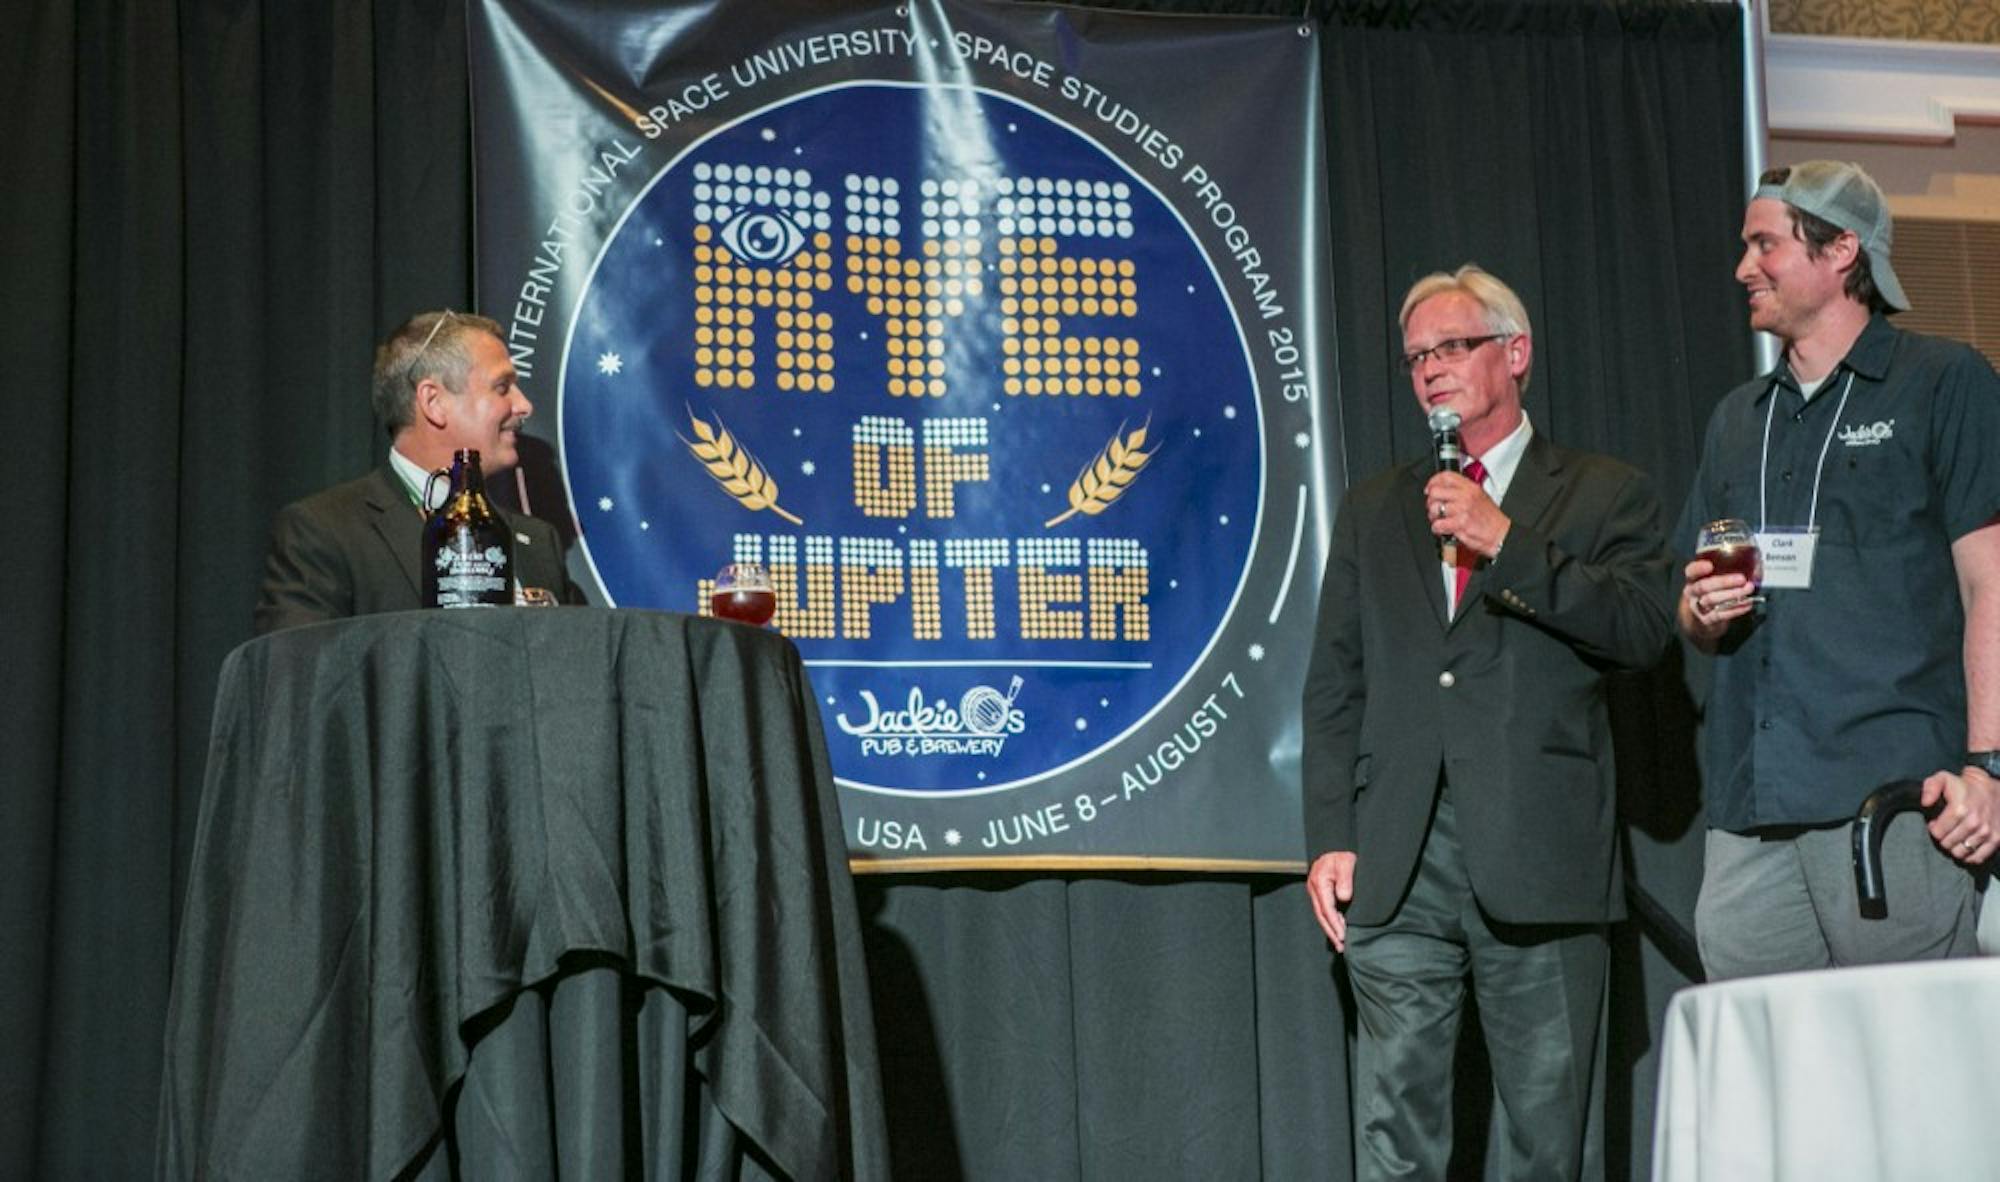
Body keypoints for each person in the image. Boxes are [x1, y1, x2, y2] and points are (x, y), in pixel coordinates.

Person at [1302, 265, 1675, 1180]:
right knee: (1397, 1135)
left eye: (1452, 346)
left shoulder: (1603, 492)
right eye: (1415, 357)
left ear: (1515, 353)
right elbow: (1336, 685)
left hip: (1539, 851)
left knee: (1546, 1141)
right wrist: (1331, 835)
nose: (1431, 368)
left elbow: (1641, 631)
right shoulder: (1375, 508)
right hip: (1400, 859)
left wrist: (1504, 539)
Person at [1677, 160, 2000, 979]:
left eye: (1765, 244)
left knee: (1908, 1045)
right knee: (1764, 1048)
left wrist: (1988, 768)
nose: (1743, 268)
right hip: (1750, 812)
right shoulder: (1737, 419)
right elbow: (1691, 608)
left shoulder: (1943, 382)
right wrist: (1701, 611)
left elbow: (1990, 583)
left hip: (1893, 802)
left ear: (1841, 250)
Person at [254, 310, 580, 634]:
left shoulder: (538, 542)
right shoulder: (325, 532)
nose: (524, 405)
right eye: (502, 386)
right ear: (433, 402)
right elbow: (297, 663)